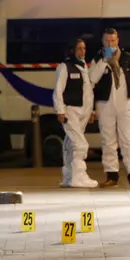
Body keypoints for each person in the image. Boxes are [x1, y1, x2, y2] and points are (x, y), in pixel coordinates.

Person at [90, 27, 130, 188]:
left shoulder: (127, 58)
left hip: (125, 104)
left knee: (128, 140)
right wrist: (103, 62)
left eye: (113, 40)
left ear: (118, 40)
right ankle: (111, 175)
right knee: (108, 141)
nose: (110, 43)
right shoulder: (98, 58)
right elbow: (91, 79)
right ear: (102, 41)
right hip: (105, 105)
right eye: (107, 40)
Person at [52, 38, 98, 188]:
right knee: (80, 144)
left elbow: (88, 92)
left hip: (83, 112)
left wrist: (91, 111)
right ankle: (79, 177)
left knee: (70, 143)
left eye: (84, 48)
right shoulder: (65, 67)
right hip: (70, 111)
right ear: (71, 50)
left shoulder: (85, 67)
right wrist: (60, 110)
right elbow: (58, 90)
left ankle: (68, 176)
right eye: (79, 48)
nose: (82, 51)